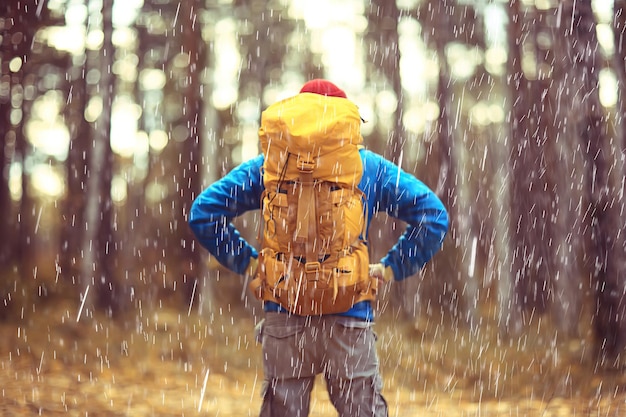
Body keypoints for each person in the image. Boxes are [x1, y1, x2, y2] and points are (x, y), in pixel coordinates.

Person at [189, 79, 449, 417]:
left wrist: (251, 264)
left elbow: (203, 213)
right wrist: (389, 268)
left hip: (285, 312)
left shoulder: (270, 167)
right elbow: (434, 217)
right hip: (350, 311)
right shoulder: (365, 166)